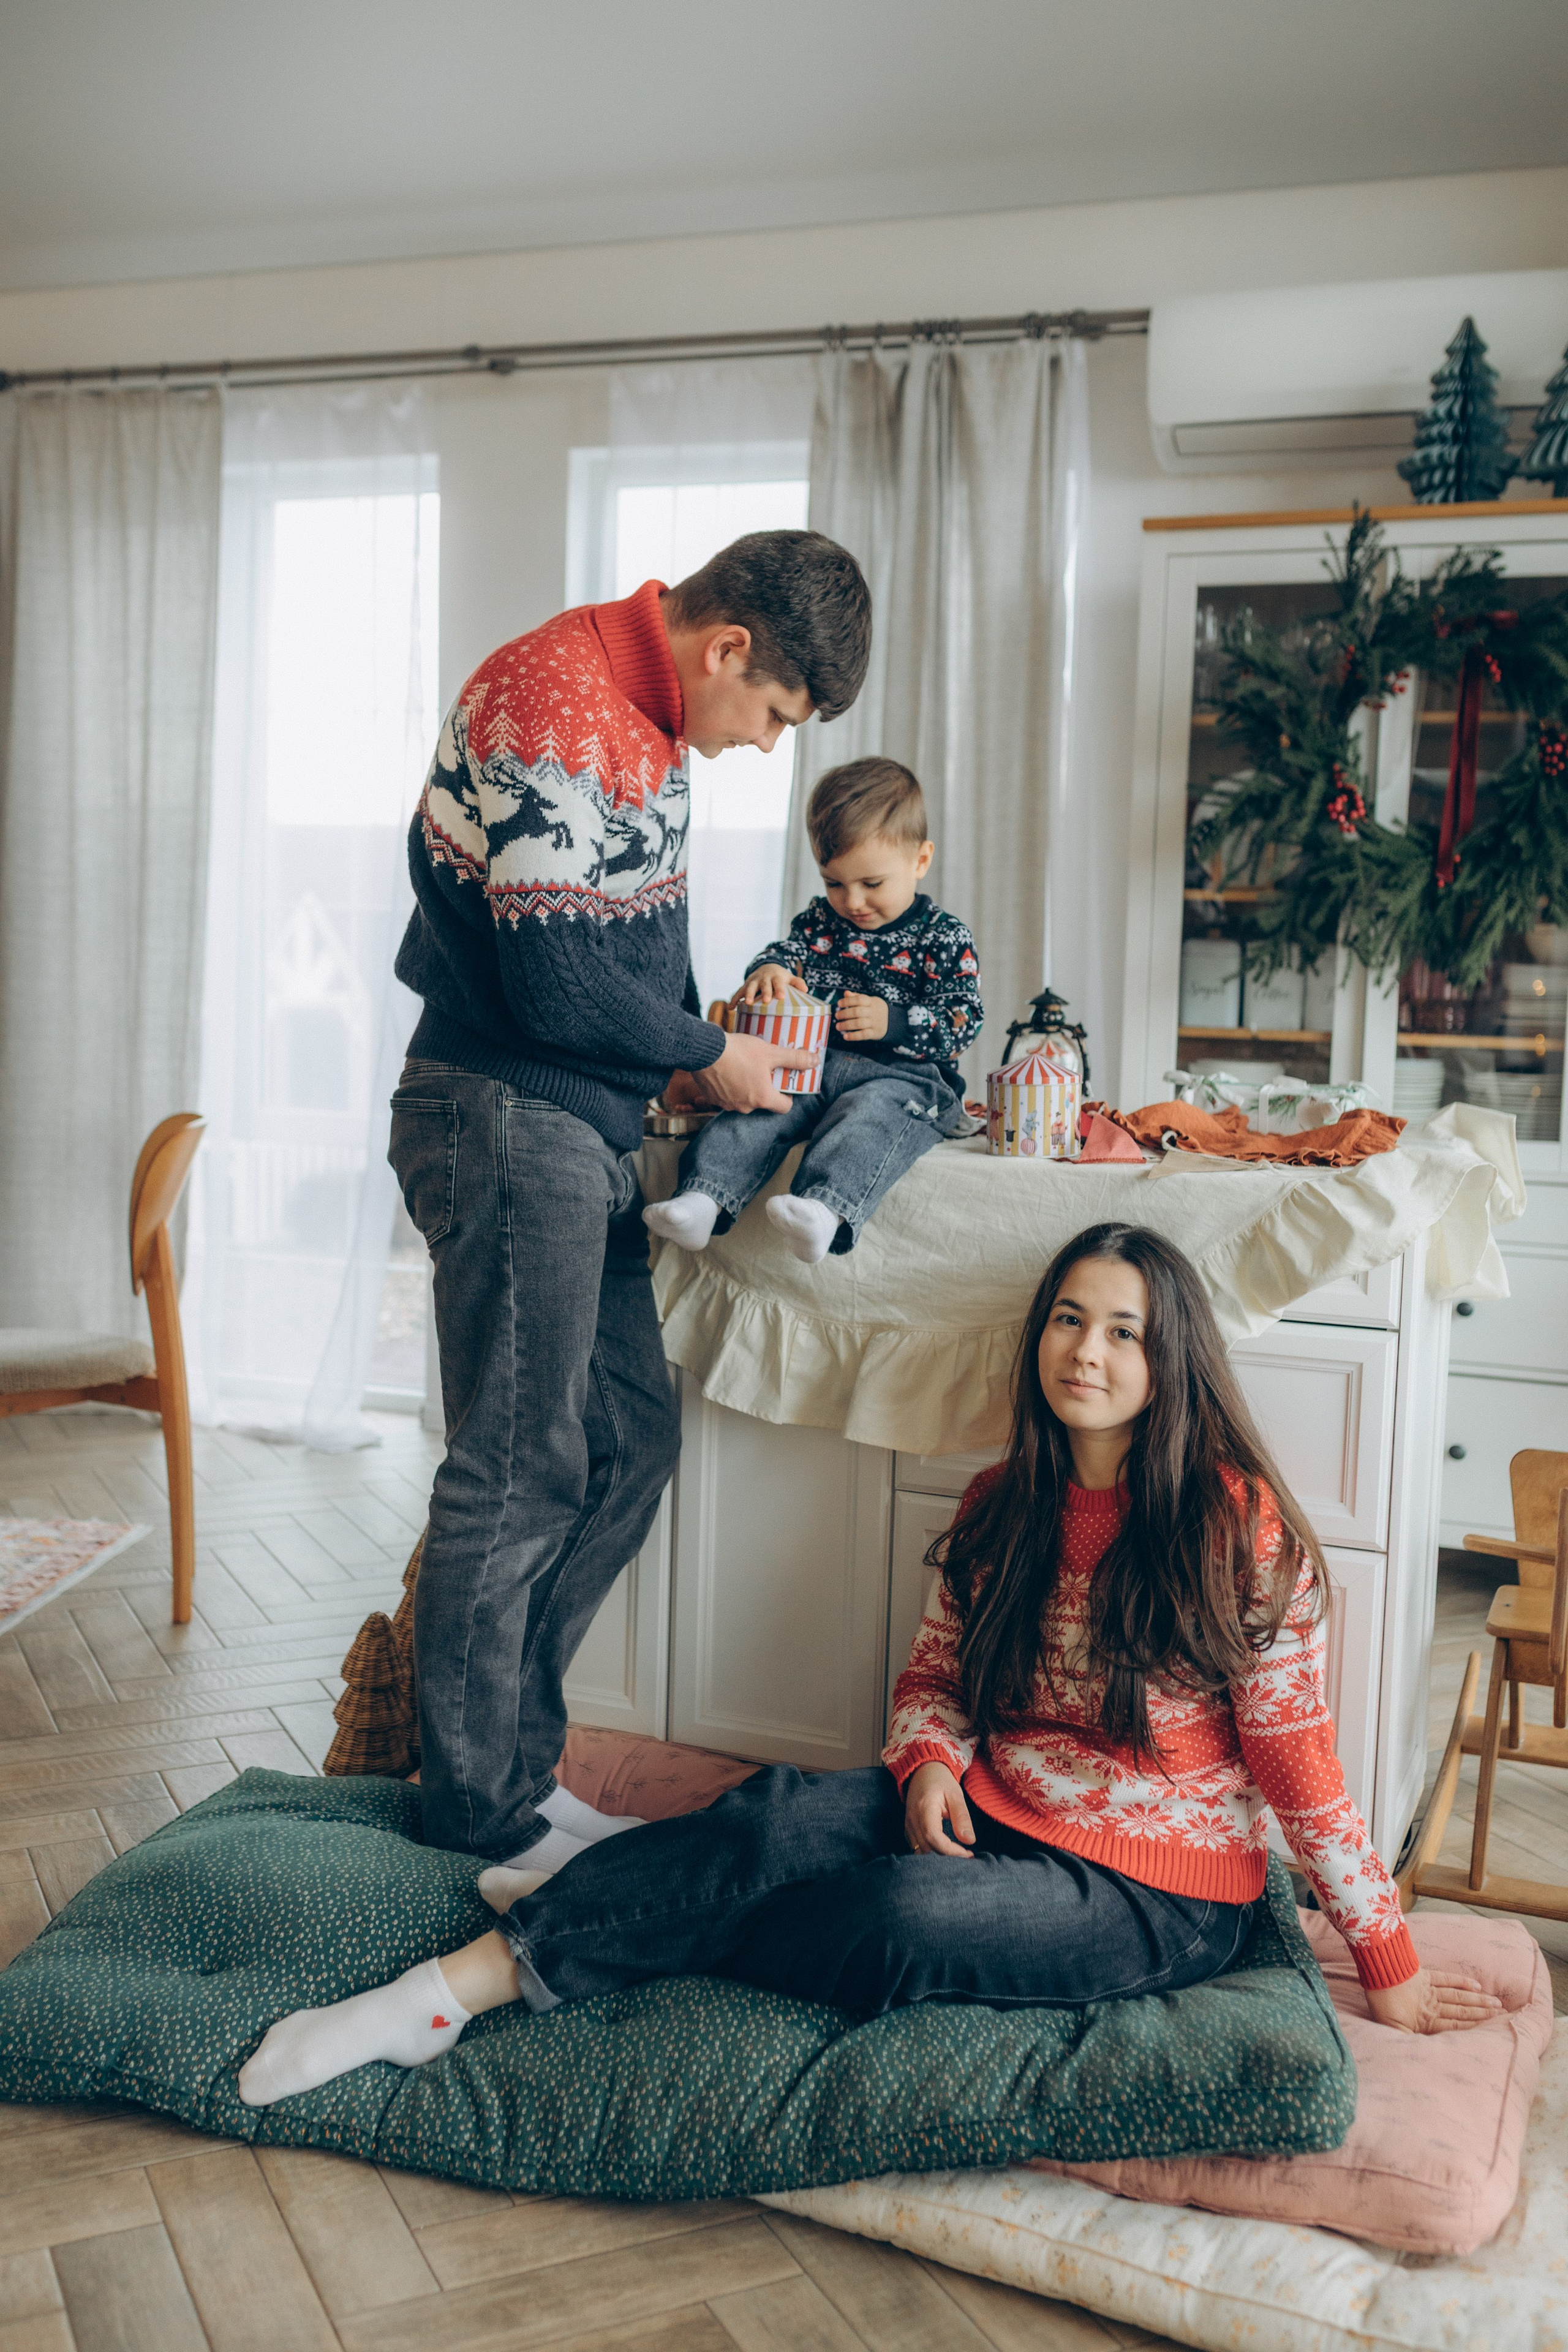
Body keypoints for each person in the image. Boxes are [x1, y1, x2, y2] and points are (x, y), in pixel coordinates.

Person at [238, 1221, 1498, 2107]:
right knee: (781, 1810)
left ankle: (618, 1898)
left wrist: (1383, 1961)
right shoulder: (1007, 1500)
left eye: (1123, 1330)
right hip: (992, 1812)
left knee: (890, 1917)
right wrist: (933, 1761)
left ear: (1171, 1360)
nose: (1086, 1351)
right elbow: (932, 1680)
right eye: (1067, 1319)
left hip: (1160, 1898)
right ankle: (439, 1998)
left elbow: (1299, 1765)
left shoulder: (1236, 1526)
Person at [388, 531, 872, 1875]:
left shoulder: (645, 724)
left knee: (622, 1446)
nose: (766, 747)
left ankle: (508, 1779)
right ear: (727, 651)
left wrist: (688, 1065)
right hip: (500, 1113)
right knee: (521, 1462)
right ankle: (471, 1824)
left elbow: (612, 951)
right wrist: (705, 1056)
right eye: (774, 715)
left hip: (567, 1123)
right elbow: (549, 989)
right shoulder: (561, 697)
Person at [644, 757, 981, 1265]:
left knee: (867, 1119)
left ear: (921, 860)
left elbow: (962, 1020)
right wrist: (769, 971)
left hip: (905, 1077)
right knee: (760, 1107)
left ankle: (825, 1210)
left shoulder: (944, 936)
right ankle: (702, 1199)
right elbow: (787, 951)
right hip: (814, 1068)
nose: (854, 901)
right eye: (835, 883)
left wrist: (892, 1021)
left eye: (872, 883)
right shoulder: (821, 922)